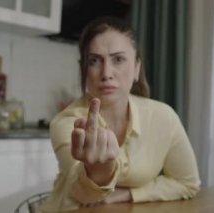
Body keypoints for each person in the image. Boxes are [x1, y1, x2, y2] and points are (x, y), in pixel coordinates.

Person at [41, 16, 200, 212]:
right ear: (84, 70)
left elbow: (188, 183)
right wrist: (99, 173)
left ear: (136, 68)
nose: (106, 73)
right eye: (94, 61)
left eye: (118, 59)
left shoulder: (164, 117)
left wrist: (128, 194)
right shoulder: (67, 122)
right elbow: (83, 195)